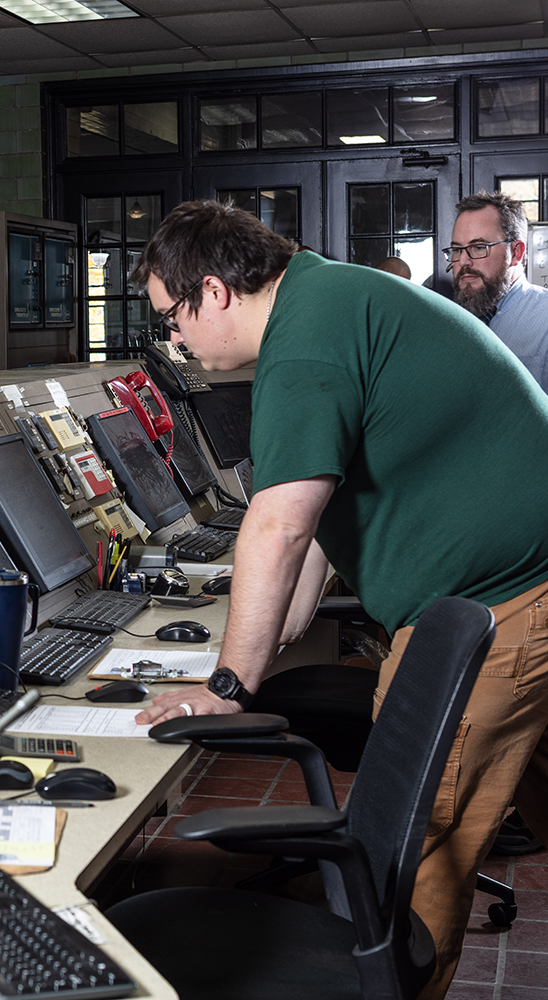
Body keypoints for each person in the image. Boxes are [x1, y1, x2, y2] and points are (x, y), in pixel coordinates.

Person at [131, 200, 548, 1000]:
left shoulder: (305, 345)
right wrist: (265, 638)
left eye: (173, 317)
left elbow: (280, 527)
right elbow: (322, 525)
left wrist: (226, 686)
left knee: (416, 849)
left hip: (505, 599)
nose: (174, 340)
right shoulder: (328, 298)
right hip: (522, 581)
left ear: (215, 291)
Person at [450, 191, 548, 389]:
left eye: (478, 247)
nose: (462, 262)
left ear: (516, 253)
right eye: (457, 250)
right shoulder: (448, 321)